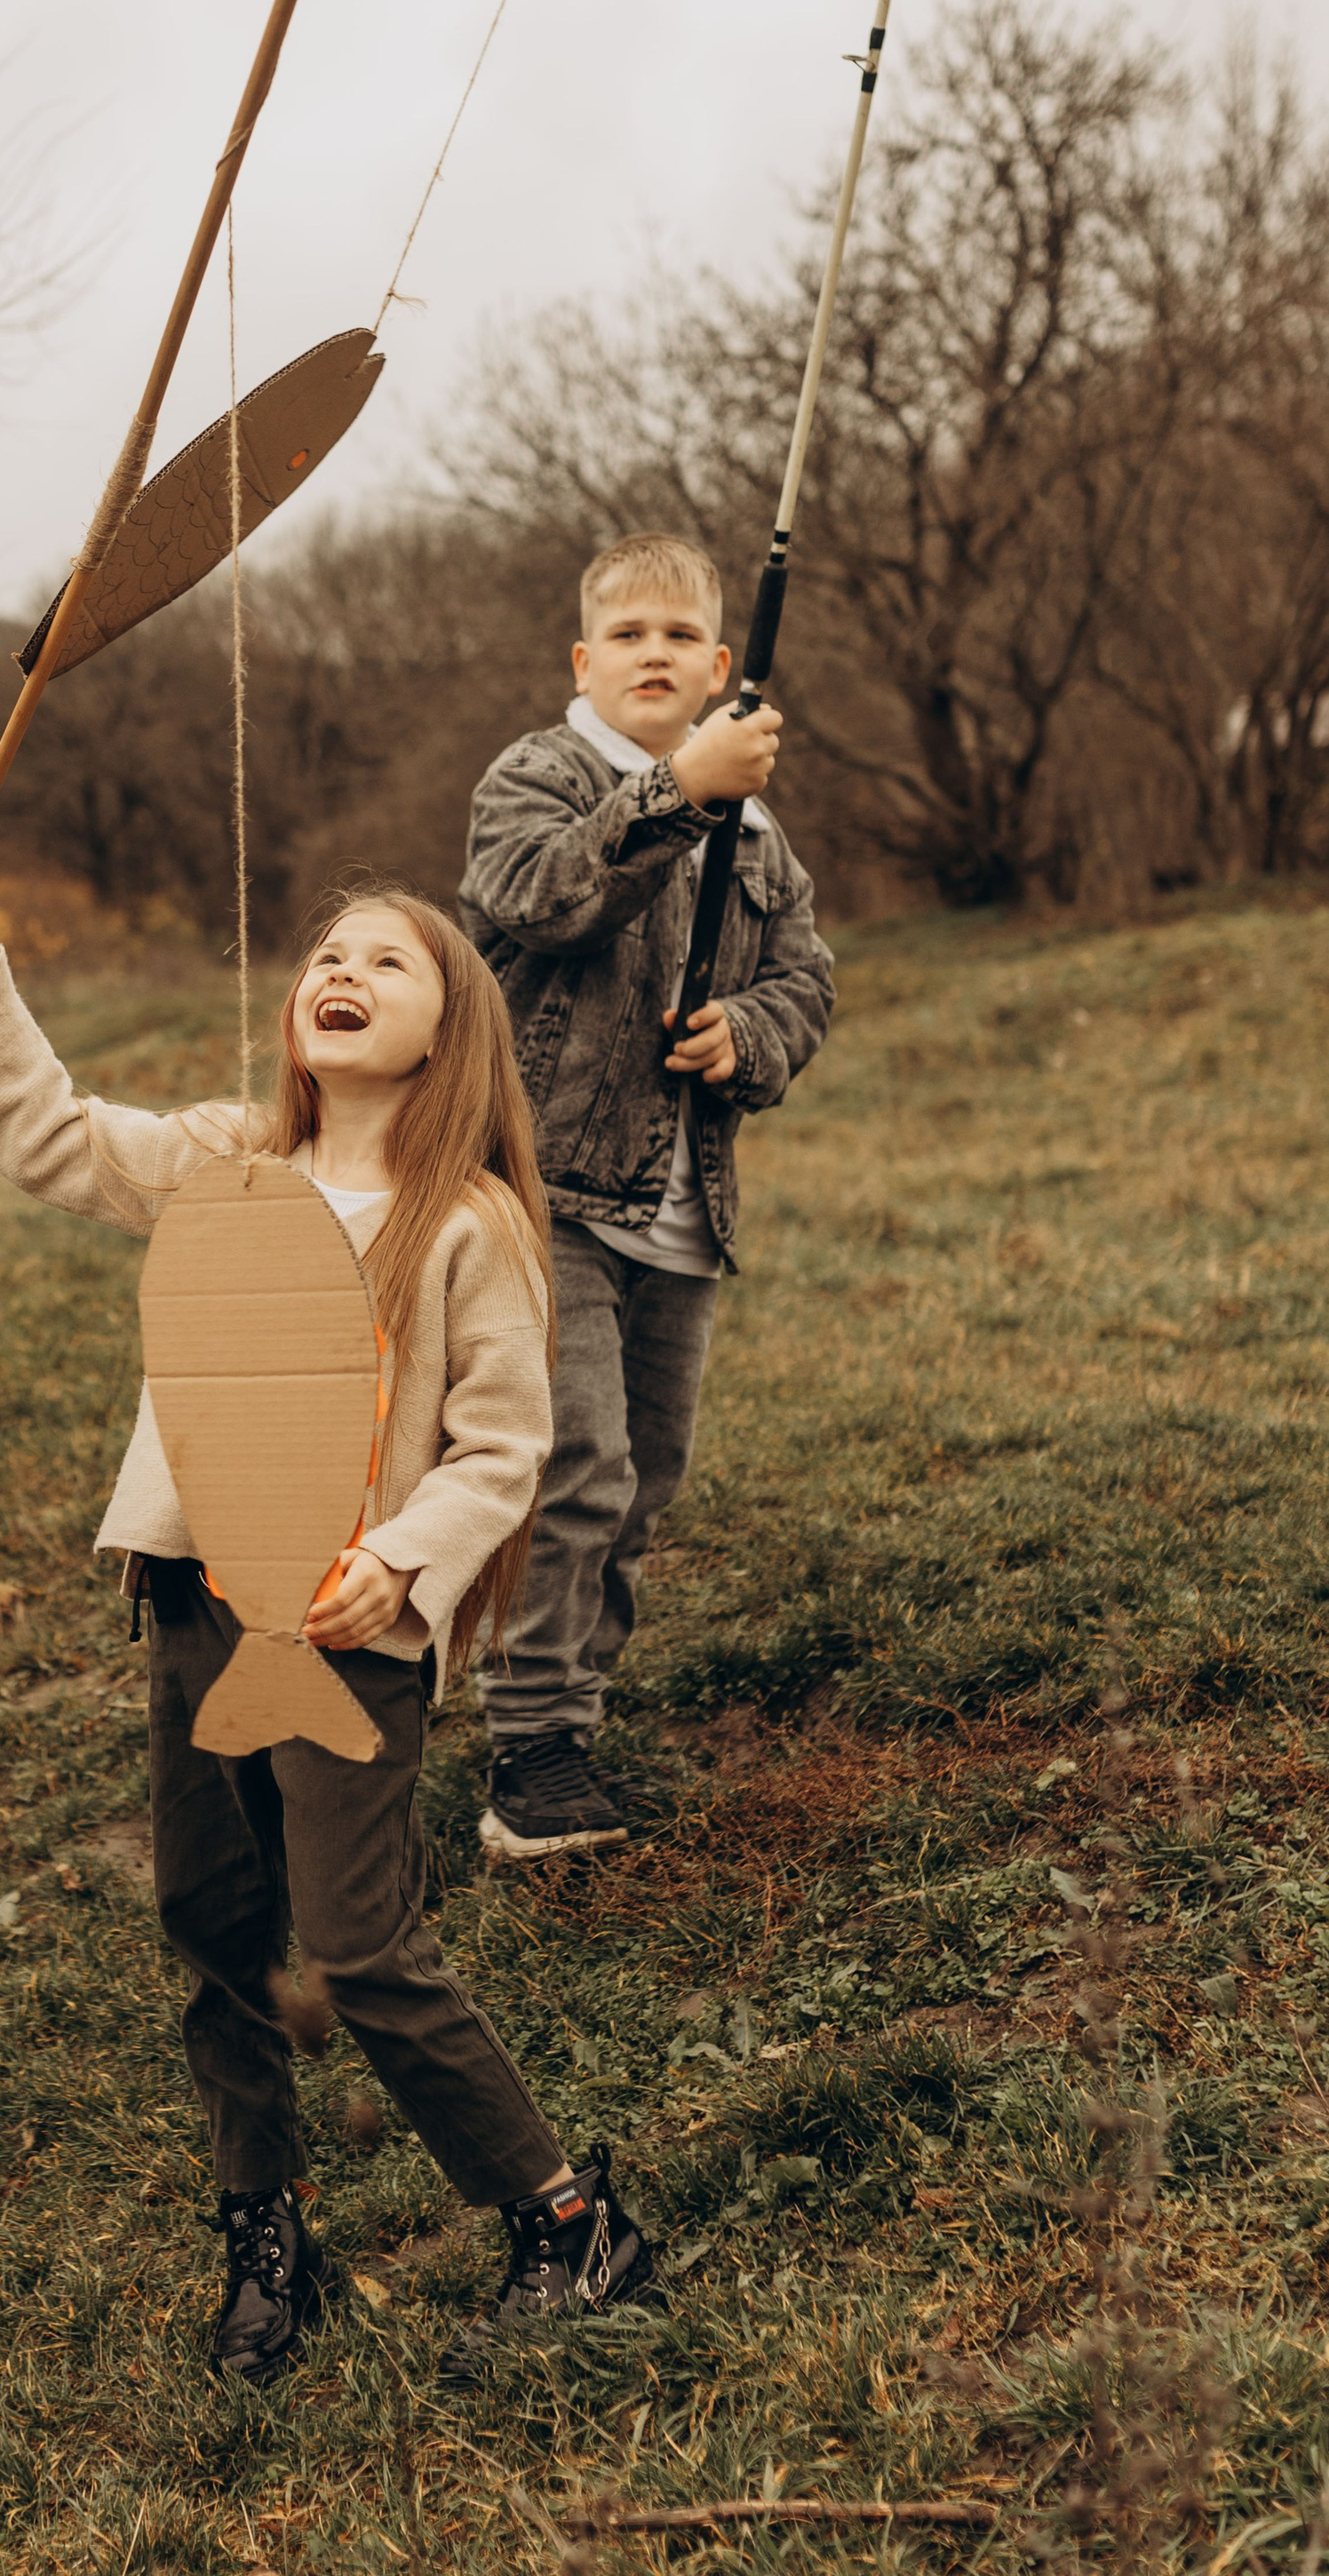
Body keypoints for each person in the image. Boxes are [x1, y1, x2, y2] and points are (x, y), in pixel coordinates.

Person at [0, 871, 665, 2385]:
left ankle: (567, 2222)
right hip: (194, 1597)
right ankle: (270, 2230)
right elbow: (47, 1130)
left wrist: (404, 1561)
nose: (347, 969)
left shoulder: (475, 1223)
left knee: (363, 1942)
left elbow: (507, 1449)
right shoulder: (231, 1158)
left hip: (349, 1626)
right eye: (329, 953)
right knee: (215, 1928)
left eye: (392, 959)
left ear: (451, 1029)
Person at [459, 532, 835, 1862]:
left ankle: (578, 1707)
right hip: (544, 1193)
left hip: (684, 1212)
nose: (656, 655)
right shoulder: (541, 776)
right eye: (628, 636)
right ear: (583, 659)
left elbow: (809, 980)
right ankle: (532, 1749)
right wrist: (680, 791)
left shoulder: (762, 820)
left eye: (682, 636)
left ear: (723, 662)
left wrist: (749, 1031)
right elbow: (543, 898)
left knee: (643, 1483)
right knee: (573, 1461)